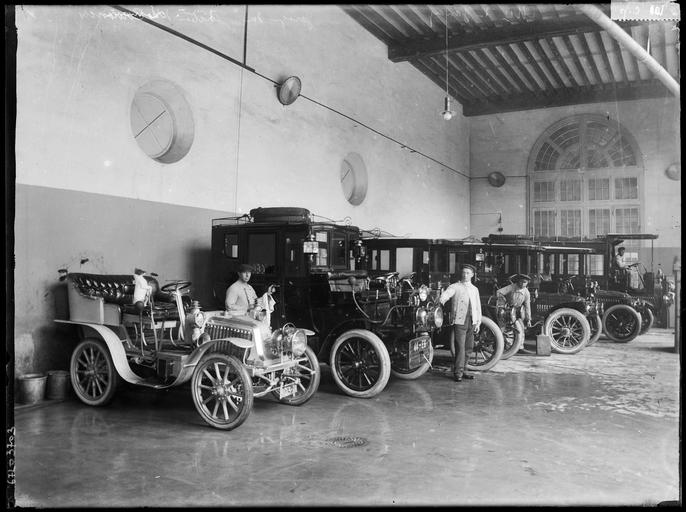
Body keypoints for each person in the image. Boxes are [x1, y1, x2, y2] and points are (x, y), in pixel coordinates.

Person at [439, 263, 482, 382]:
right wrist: (441, 300)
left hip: (472, 321)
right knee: (460, 347)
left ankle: (464, 370)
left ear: (472, 275)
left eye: (468, 273)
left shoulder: (474, 289)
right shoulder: (455, 286)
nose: (465, 275)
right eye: (463, 272)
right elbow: (446, 295)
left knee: (469, 347)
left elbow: (478, 306)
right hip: (460, 321)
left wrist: (478, 322)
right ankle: (458, 372)